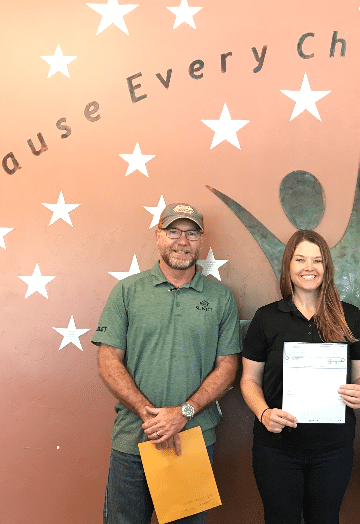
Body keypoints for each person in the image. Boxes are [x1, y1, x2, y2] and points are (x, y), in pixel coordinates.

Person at [92, 203, 241, 524]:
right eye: (173, 231)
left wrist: (182, 413)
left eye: (190, 233)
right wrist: (151, 415)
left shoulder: (220, 298)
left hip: (191, 440)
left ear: (201, 241)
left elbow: (228, 366)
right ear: (158, 235)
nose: (182, 241)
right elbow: (107, 360)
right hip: (134, 437)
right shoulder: (127, 292)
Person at [240, 229, 360, 524]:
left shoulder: (349, 316)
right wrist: (263, 413)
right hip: (276, 450)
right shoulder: (266, 317)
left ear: (327, 267)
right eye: (300, 260)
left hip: (333, 450)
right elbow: (249, 380)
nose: (308, 268)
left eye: (317, 260)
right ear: (288, 265)